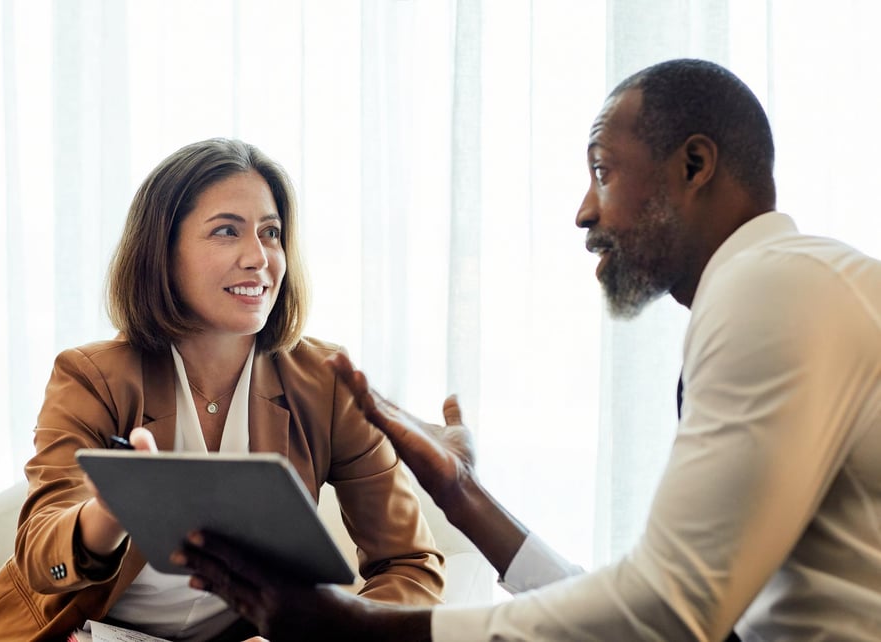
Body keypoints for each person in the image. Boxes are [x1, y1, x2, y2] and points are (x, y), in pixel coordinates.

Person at [174, 59, 881, 641]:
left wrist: (364, 628)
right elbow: (654, 616)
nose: (584, 209)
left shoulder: (772, 287)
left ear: (695, 164)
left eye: (602, 169)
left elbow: (671, 606)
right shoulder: (788, 285)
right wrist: (464, 497)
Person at [0, 138, 445, 641]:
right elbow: (42, 561)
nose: (258, 257)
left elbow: (410, 566)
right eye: (226, 231)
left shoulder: (327, 384)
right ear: (163, 253)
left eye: (271, 232)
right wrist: (109, 514)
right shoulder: (90, 376)